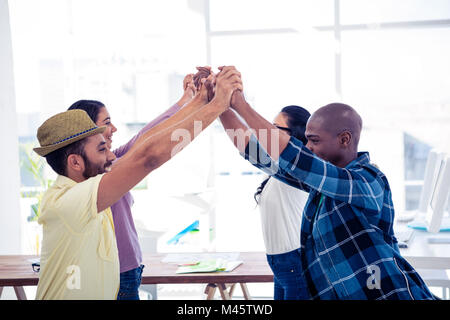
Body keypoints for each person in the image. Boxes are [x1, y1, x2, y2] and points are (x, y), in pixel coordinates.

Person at [34, 66, 242, 299]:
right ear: (75, 163)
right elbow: (148, 156)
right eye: (103, 149)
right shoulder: (69, 202)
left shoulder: (85, 185)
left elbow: (145, 142)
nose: (113, 157)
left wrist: (198, 100)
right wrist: (217, 105)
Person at [220, 82, 435, 299]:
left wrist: (241, 104)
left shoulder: (367, 179)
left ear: (344, 139)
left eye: (314, 140)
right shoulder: (321, 186)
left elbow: (300, 160)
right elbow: (257, 153)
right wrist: (221, 106)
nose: (309, 147)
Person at [67, 74, 196, 300]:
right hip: (114, 276)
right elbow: (147, 152)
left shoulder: (111, 160)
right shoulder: (94, 174)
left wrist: (185, 100)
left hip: (129, 270)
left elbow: (147, 135)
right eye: (106, 123)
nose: (114, 128)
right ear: (87, 132)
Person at [253, 106, 311, 300]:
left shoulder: (298, 168)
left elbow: (246, 141)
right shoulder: (277, 170)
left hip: (295, 262)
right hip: (281, 263)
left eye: (275, 128)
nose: (269, 132)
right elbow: (245, 142)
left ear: (294, 135)